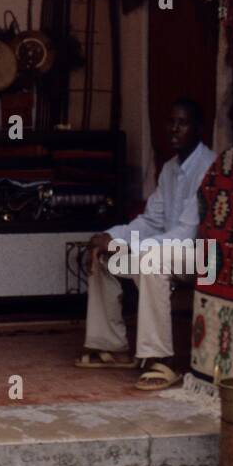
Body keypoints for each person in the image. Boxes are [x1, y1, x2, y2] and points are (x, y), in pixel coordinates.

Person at [76, 98, 215, 391]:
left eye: (183, 123)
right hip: (166, 249)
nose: (174, 129)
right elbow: (151, 221)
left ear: (199, 128)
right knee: (103, 256)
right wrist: (112, 237)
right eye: (171, 122)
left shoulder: (208, 168)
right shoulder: (170, 168)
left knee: (151, 259)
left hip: (202, 255)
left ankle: (161, 359)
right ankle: (112, 347)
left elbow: (187, 233)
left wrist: (132, 249)